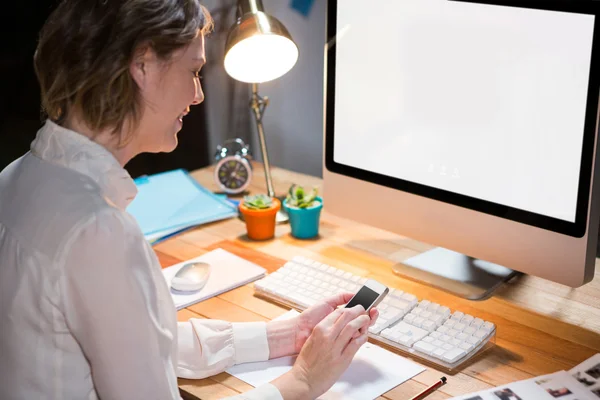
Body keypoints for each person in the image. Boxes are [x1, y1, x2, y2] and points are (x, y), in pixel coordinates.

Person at [0, 1, 378, 399]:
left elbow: (133, 341)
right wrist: (303, 380)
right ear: (142, 66)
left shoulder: (16, 178)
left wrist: (283, 334)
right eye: (194, 71)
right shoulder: (99, 234)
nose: (198, 95)